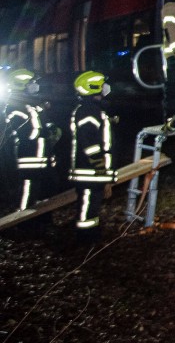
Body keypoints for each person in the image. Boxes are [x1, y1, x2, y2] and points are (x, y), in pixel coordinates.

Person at [6, 68, 59, 229]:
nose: (35, 86)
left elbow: (47, 124)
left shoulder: (34, 105)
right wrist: (44, 132)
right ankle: (23, 223)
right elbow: (26, 133)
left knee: (45, 191)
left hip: (43, 157)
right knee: (28, 190)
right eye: (31, 83)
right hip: (28, 158)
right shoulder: (14, 107)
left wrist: (52, 129)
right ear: (22, 85)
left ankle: (43, 221)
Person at [69, 70, 115, 243]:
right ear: (94, 87)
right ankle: (85, 238)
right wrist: (99, 165)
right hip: (89, 170)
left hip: (92, 170)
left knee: (92, 206)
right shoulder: (88, 111)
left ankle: (92, 234)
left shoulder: (91, 110)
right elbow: (88, 140)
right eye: (102, 85)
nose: (105, 88)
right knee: (88, 206)